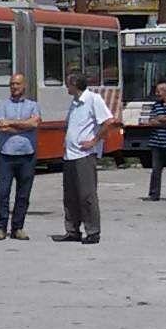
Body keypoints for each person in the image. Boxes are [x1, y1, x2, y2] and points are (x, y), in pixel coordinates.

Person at [60, 70, 112, 245]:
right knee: (70, 195)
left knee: (87, 195)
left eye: (68, 83)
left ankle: (93, 231)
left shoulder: (93, 99)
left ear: (75, 84)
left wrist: (94, 141)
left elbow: (107, 122)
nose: (66, 87)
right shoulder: (74, 103)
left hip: (84, 155)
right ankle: (72, 230)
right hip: (70, 155)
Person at [0, 72, 41, 240]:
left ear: (24, 86)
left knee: (23, 194)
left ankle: (18, 227)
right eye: (12, 84)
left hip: (27, 155)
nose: (14, 87)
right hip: (6, 155)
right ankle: (0, 227)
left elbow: (34, 124)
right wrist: (24, 126)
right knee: (3, 192)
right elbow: (1, 127)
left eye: (17, 84)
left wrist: (11, 123)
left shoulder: (33, 105)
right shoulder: (2, 105)